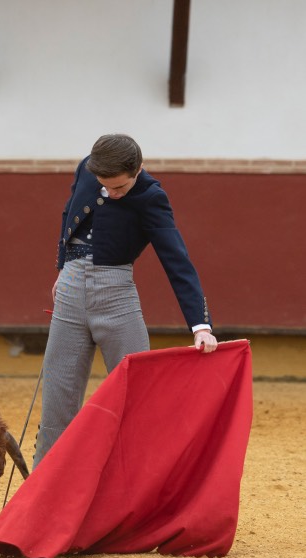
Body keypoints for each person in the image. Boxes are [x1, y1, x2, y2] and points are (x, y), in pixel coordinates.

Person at [33, 133, 218, 469]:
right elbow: (67, 215)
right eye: (105, 185)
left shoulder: (150, 196)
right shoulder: (85, 171)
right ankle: (45, 491)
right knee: (57, 398)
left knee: (139, 394)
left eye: (119, 188)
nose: (111, 193)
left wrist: (200, 325)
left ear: (138, 169)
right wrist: (62, 268)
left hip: (116, 291)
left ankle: (137, 491)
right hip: (71, 286)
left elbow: (176, 259)